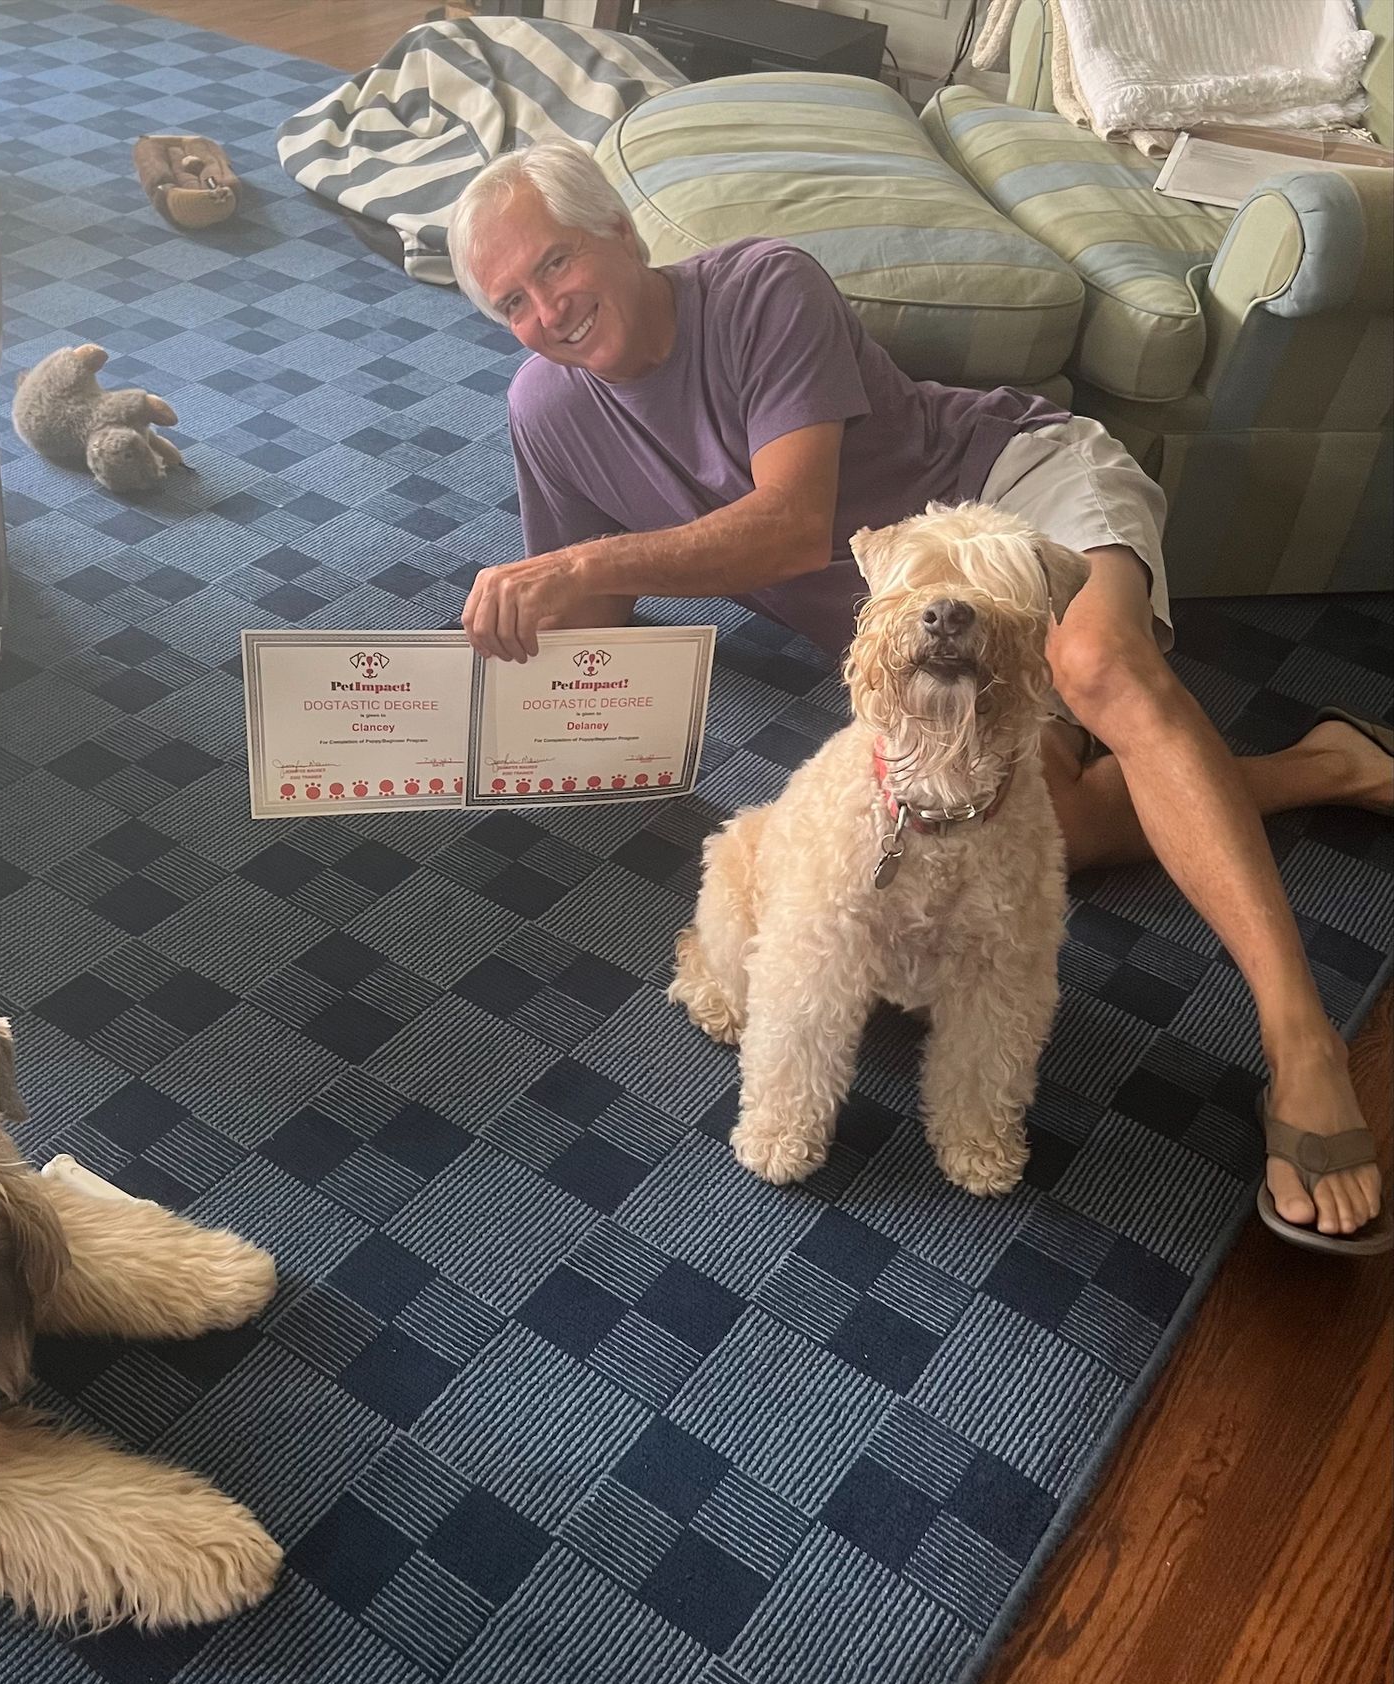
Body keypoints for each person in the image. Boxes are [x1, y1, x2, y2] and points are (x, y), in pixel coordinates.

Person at [447, 140, 1392, 1249]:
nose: (547, 309)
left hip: (1006, 493)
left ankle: (1301, 1042)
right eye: (511, 299)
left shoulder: (760, 284)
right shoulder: (545, 407)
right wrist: (492, 660)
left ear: (620, 231)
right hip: (919, 630)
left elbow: (795, 523)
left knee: (1095, 667)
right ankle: (1331, 760)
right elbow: (600, 625)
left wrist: (582, 565)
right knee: (1047, 832)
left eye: (555, 263)